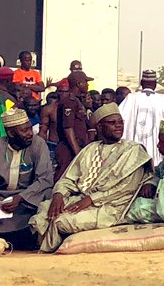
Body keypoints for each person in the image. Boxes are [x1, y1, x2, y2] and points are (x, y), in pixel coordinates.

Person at [31, 102, 151, 252]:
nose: (118, 126)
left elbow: (126, 189)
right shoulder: (90, 149)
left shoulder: (133, 150)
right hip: (80, 199)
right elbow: (69, 178)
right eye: (112, 123)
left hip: (111, 206)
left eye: (120, 122)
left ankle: (50, 251)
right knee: (45, 210)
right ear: (100, 127)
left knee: (61, 221)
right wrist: (58, 195)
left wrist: (91, 200)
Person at [0, 105, 58, 238]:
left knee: (47, 194)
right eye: (24, 131)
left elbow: (44, 178)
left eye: (30, 128)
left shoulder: (38, 144)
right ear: (11, 133)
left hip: (27, 198)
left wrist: (20, 198)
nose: (30, 133)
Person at [120, 69, 164, 165]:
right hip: (156, 155)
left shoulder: (131, 98)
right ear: (155, 84)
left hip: (132, 154)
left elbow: (120, 120)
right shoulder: (163, 101)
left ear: (141, 83)